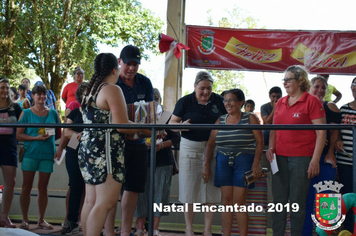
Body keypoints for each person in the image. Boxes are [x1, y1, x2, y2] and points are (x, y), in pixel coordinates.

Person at [78, 52, 148, 236]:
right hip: (106, 150)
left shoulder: (89, 90)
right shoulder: (111, 89)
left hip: (89, 148)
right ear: (114, 69)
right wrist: (144, 129)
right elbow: (122, 126)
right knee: (105, 202)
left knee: (90, 201)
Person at [265, 65, 326, 236]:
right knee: (279, 202)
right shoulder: (281, 102)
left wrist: (314, 160)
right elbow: (274, 129)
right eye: (283, 79)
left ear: (299, 80)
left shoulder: (312, 101)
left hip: (301, 158)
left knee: (297, 202)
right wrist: (271, 147)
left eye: (287, 79)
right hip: (279, 158)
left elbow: (321, 132)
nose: (284, 83)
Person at [169, 71, 226, 236]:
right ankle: (189, 228)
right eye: (202, 88)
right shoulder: (185, 101)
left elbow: (229, 118)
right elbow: (172, 123)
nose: (205, 92)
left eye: (209, 88)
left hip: (214, 148)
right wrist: (181, 125)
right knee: (189, 188)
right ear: (195, 87)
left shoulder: (219, 101)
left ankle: (207, 230)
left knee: (212, 189)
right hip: (189, 147)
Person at [203, 88, 263, 236]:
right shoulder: (221, 119)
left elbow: (260, 142)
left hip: (244, 161)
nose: (227, 103)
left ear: (241, 102)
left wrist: (256, 162)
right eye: (225, 100)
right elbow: (210, 144)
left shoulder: (250, 118)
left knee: (239, 201)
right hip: (223, 162)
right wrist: (206, 165)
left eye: (231, 100)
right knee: (226, 200)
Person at [112, 45, 154, 236]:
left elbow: (151, 113)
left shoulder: (145, 82)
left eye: (136, 64)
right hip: (114, 144)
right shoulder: (111, 83)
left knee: (133, 188)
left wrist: (149, 130)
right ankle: (108, 230)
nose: (132, 68)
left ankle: (125, 231)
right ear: (120, 62)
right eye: (128, 63)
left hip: (138, 144)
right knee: (111, 190)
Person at [16, 85, 62, 230]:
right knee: (26, 187)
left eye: (44, 95)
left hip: (47, 155)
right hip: (30, 154)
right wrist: (36, 138)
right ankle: (25, 220)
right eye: (39, 94)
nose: (42, 97)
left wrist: (52, 144)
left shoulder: (53, 113)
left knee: (43, 187)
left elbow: (59, 134)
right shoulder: (26, 113)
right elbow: (18, 134)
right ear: (33, 96)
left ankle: (41, 220)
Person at [302, 76, 341, 235]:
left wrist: (330, 152)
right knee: (305, 200)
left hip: (325, 160)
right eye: (316, 86)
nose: (319, 90)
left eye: (323, 88)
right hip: (304, 159)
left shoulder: (330, 106)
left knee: (327, 201)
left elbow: (334, 133)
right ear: (309, 88)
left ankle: (325, 233)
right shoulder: (301, 106)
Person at [55, 82, 89, 234]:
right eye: (85, 93)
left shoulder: (97, 114)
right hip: (74, 152)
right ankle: (71, 221)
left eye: (90, 94)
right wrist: (80, 135)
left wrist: (82, 135)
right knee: (75, 187)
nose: (87, 97)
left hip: (92, 155)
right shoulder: (75, 113)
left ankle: (88, 223)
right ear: (80, 96)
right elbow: (66, 132)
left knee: (91, 190)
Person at [335, 77, 356, 234]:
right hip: (344, 162)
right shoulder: (343, 109)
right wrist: (339, 140)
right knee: (346, 197)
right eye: (354, 86)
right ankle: (347, 230)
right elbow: (336, 133)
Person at [0, 78, 22, 228]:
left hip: (9, 148)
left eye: (6, 88)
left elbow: (23, 126)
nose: (4, 90)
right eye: (1, 88)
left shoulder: (15, 107)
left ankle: (4, 217)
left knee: (11, 182)